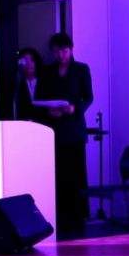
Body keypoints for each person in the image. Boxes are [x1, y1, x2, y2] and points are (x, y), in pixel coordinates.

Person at [35, 33, 93, 238]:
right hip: (53, 128)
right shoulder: (47, 71)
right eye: (57, 51)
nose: (61, 55)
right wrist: (48, 110)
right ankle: (58, 215)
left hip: (74, 129)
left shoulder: (81, 69)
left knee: (75, 174)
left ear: (71, 50)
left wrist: (74, 108)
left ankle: (77, 217)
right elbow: (39, 97)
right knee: (57, 174)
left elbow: (88, 97)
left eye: (65, 51)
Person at [13, 47, 43, 122]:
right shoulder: (17, 83)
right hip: (23, 123)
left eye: (32, 60)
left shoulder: (44, 81)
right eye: (25, 60)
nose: (29, 63)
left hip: (42, 124)